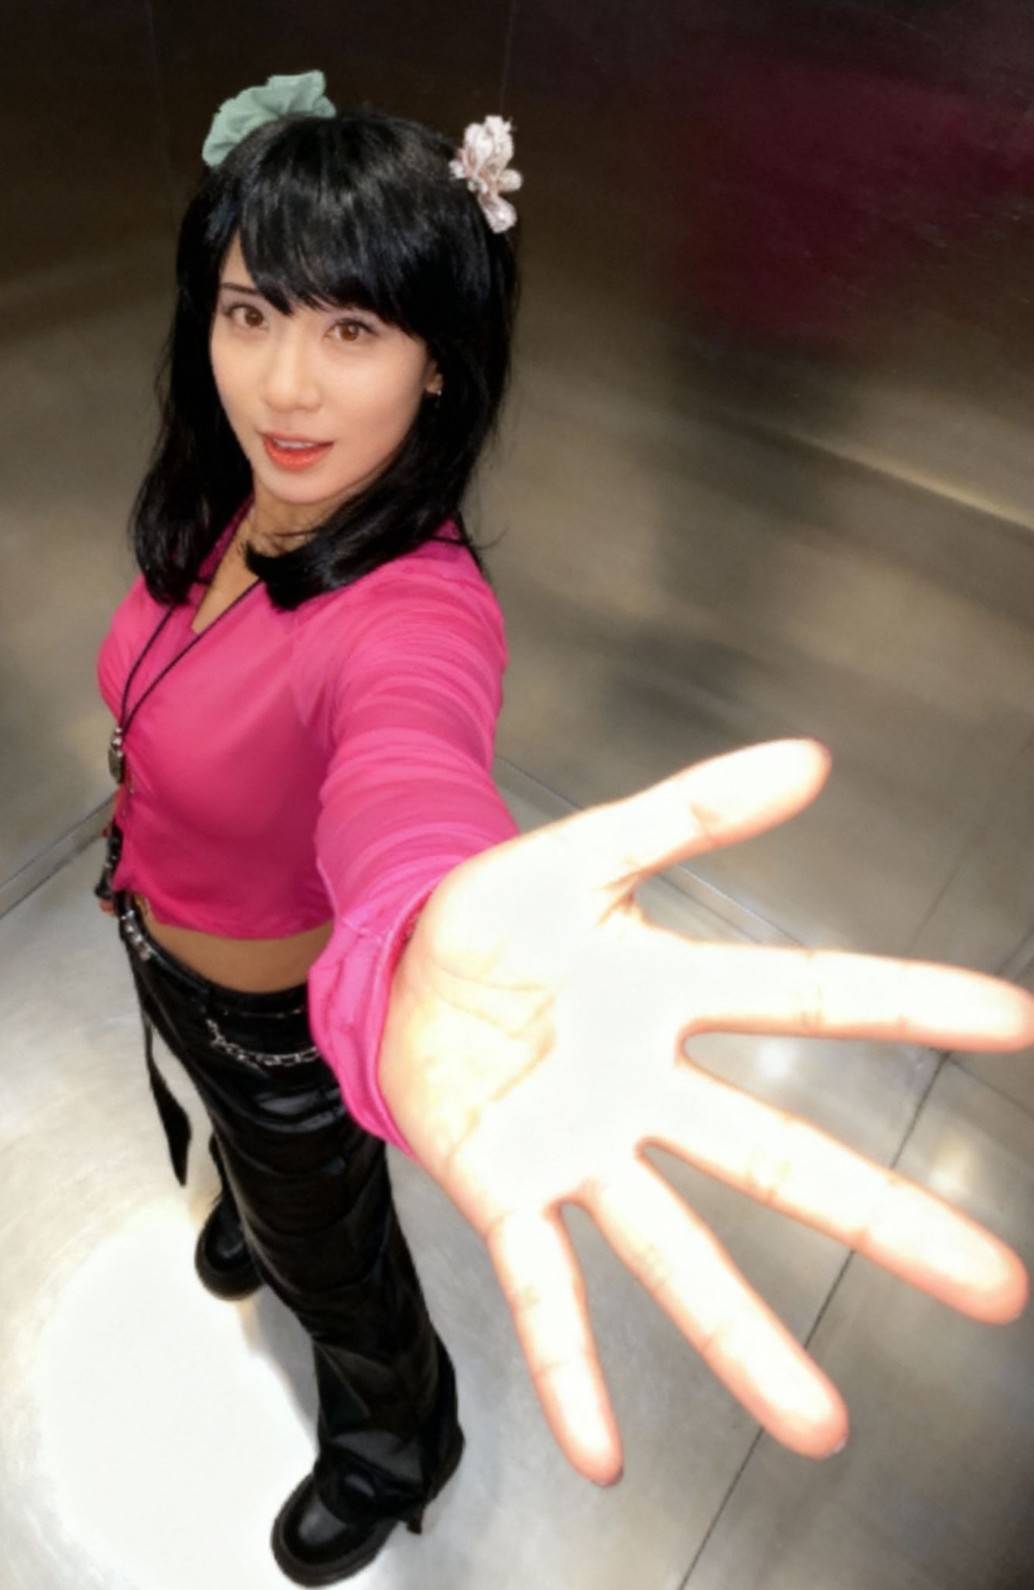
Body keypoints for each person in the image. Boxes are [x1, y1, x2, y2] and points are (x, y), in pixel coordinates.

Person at [92, 70, 1034, 1586]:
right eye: (251, 313)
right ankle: (265, 1215)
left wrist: (423, 920)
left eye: (353, 331)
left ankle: (396, 1438)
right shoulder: (221, 495)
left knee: (340, 1270)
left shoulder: (412, 612)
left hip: (281, 1035)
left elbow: (406, 773)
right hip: (160, 951)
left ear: (439, 366)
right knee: (268, 1191)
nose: (284, 386)